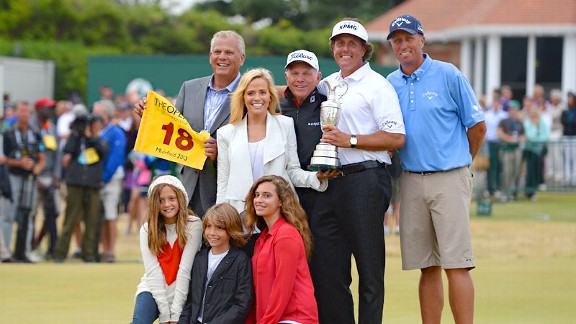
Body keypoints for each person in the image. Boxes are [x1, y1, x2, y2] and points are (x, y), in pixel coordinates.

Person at [387, 14, 486, 324]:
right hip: (411, 181)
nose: (404, 45)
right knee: (427, 266)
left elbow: (478, 127)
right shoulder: (390, 83)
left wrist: (462, 163)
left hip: (449, 178)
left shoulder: (448, 74)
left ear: (422, 39)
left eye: (408, 38)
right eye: (397, 40)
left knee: (456, 264)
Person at [310, 18, 405, 324]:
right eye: (340, 43)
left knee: (369, 270)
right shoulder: (329, 84)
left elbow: (396, 138)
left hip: (365, 179)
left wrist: (349, 140)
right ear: (333, 49)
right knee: (330, 272)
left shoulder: (379, 85)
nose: (345, 49)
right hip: (330, 183)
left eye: (352, 44)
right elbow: (294, 87)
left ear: (365, 50)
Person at [134, 30, 246, 218]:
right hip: (189, 187)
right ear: (210, 56)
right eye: (217, 52)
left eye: (229, 52)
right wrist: (147, 114)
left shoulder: (251, 92)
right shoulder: (189, 87)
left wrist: (222, 151)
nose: (222, 57)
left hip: (228, 191)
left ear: (242, 58)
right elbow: (173, 129)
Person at [216, 68, 331, 216]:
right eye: (251, 93)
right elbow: (223, 182)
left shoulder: (285, 125)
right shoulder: (225, 134)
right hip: (240, 216)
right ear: (243, 97)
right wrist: (221, 218)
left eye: (262, 92)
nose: (257, 98)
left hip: (278, 214)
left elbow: (292, 171)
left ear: (270, 96)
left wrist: (316, 177)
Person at [245, 175, 318, 324]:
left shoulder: (286, 235)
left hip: (295, 318)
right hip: (272, 319)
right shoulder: (262, 239)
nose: (259, 200)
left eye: (267, 195)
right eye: (257, 195)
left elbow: (282, 288)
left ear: (281, 201)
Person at [131, 175, 203, 324]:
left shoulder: (194, 225)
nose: (167, 204)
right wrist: (164, 313)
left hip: (183, 292)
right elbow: (152, 271)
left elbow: (185, 270)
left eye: (171, 198)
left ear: (181, 199)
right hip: (153, 289)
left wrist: (175, 314)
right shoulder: (147, 229)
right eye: (161, 200)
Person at [178, 203, 254, 324]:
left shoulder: (241, 261)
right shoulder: (199, 258)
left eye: (219, 228)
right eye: (208, 226)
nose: (212, 232)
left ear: (231, 229)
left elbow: (241, 305)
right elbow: (192, 299)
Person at [280, 49, 330, 222]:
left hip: (322, 191)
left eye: (306, 73)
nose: (300, 79)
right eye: (294, 73)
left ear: (318, 77)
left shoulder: (329, 106)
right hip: (284, 193)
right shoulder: (276, 108)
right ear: (286, 77)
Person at [53, 114, 108, 263]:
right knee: (70, 219)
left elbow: (103, 152)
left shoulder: (99, 140)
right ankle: (60, 253)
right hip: (75, 183)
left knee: (91, 220)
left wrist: (91, 137)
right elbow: (68, 151)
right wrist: (77, 134)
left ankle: (88, 254)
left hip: (93, 185)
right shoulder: (75, 138)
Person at [2, 101, 46, 262]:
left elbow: (42, 157)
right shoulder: (9, 132)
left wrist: (38, 167)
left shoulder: (35, 132)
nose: (24, 114)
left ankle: (24, 251)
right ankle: (5, 253)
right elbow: (4, 158)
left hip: (30, 178)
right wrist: (19, 162)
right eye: (21, 111)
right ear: (16, 113)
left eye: (27, 112)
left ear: (30, 113)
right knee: (8, 214)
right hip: (13, 176)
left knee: (28, 214)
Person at [92, 99, 127, 263]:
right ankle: (103, 249)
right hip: (98, 178)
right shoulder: (98, 131)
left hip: (111, 178)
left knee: (110, 214)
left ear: (105, 114)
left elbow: (115, 158)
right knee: (101, 215)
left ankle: (110, 250)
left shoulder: (115, 132)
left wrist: (104, 177)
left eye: (97, 112)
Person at [31, 98, 61, 261]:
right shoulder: (31, 126)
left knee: (54, 213)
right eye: (47, 108)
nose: (50, 111)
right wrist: (37, 176)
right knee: (32, 213)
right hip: (36, 177)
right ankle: (30, 246)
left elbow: (58, 155)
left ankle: (41, 244)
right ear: (38, 109)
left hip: (51, 177)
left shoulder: (52, 128)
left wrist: (56, 176)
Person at [497, 100, 526, 202]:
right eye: (511, 109)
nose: (513, 111)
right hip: (506, 149)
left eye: (515, 109)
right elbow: (499, 133)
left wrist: (518, 139)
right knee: (506, 171)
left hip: (516, 149)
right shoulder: (504, 121)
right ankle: (505, 192)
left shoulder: (519, 122)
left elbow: (523, 135)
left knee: (516, 171)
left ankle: (512, 192)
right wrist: (509, 139)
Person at [484, 89, 508, 196]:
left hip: (500, 143)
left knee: (499, 165)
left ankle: (497, 187)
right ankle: (489, 188)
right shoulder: (487, 115)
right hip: (490, 143)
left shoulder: (504, 115)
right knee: (490, 166)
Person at [523, 107, 550, 200]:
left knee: (538, 172)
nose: (534, 116)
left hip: (539, 152)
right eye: (532, 114)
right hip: (530, 151)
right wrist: (536, 139)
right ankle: (528, 191)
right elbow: (529, 136)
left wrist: (535, 139)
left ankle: (533, 190)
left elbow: (545, 135)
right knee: (530, 172)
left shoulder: (542, 123)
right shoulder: (527, 123)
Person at [561, 92, 576, 186]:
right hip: (566, 135)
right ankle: (567, 178)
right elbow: (563, 121)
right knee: (566, 158)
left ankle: (574, 178)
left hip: (574, 136)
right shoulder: (565, 111)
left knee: (574, 159)